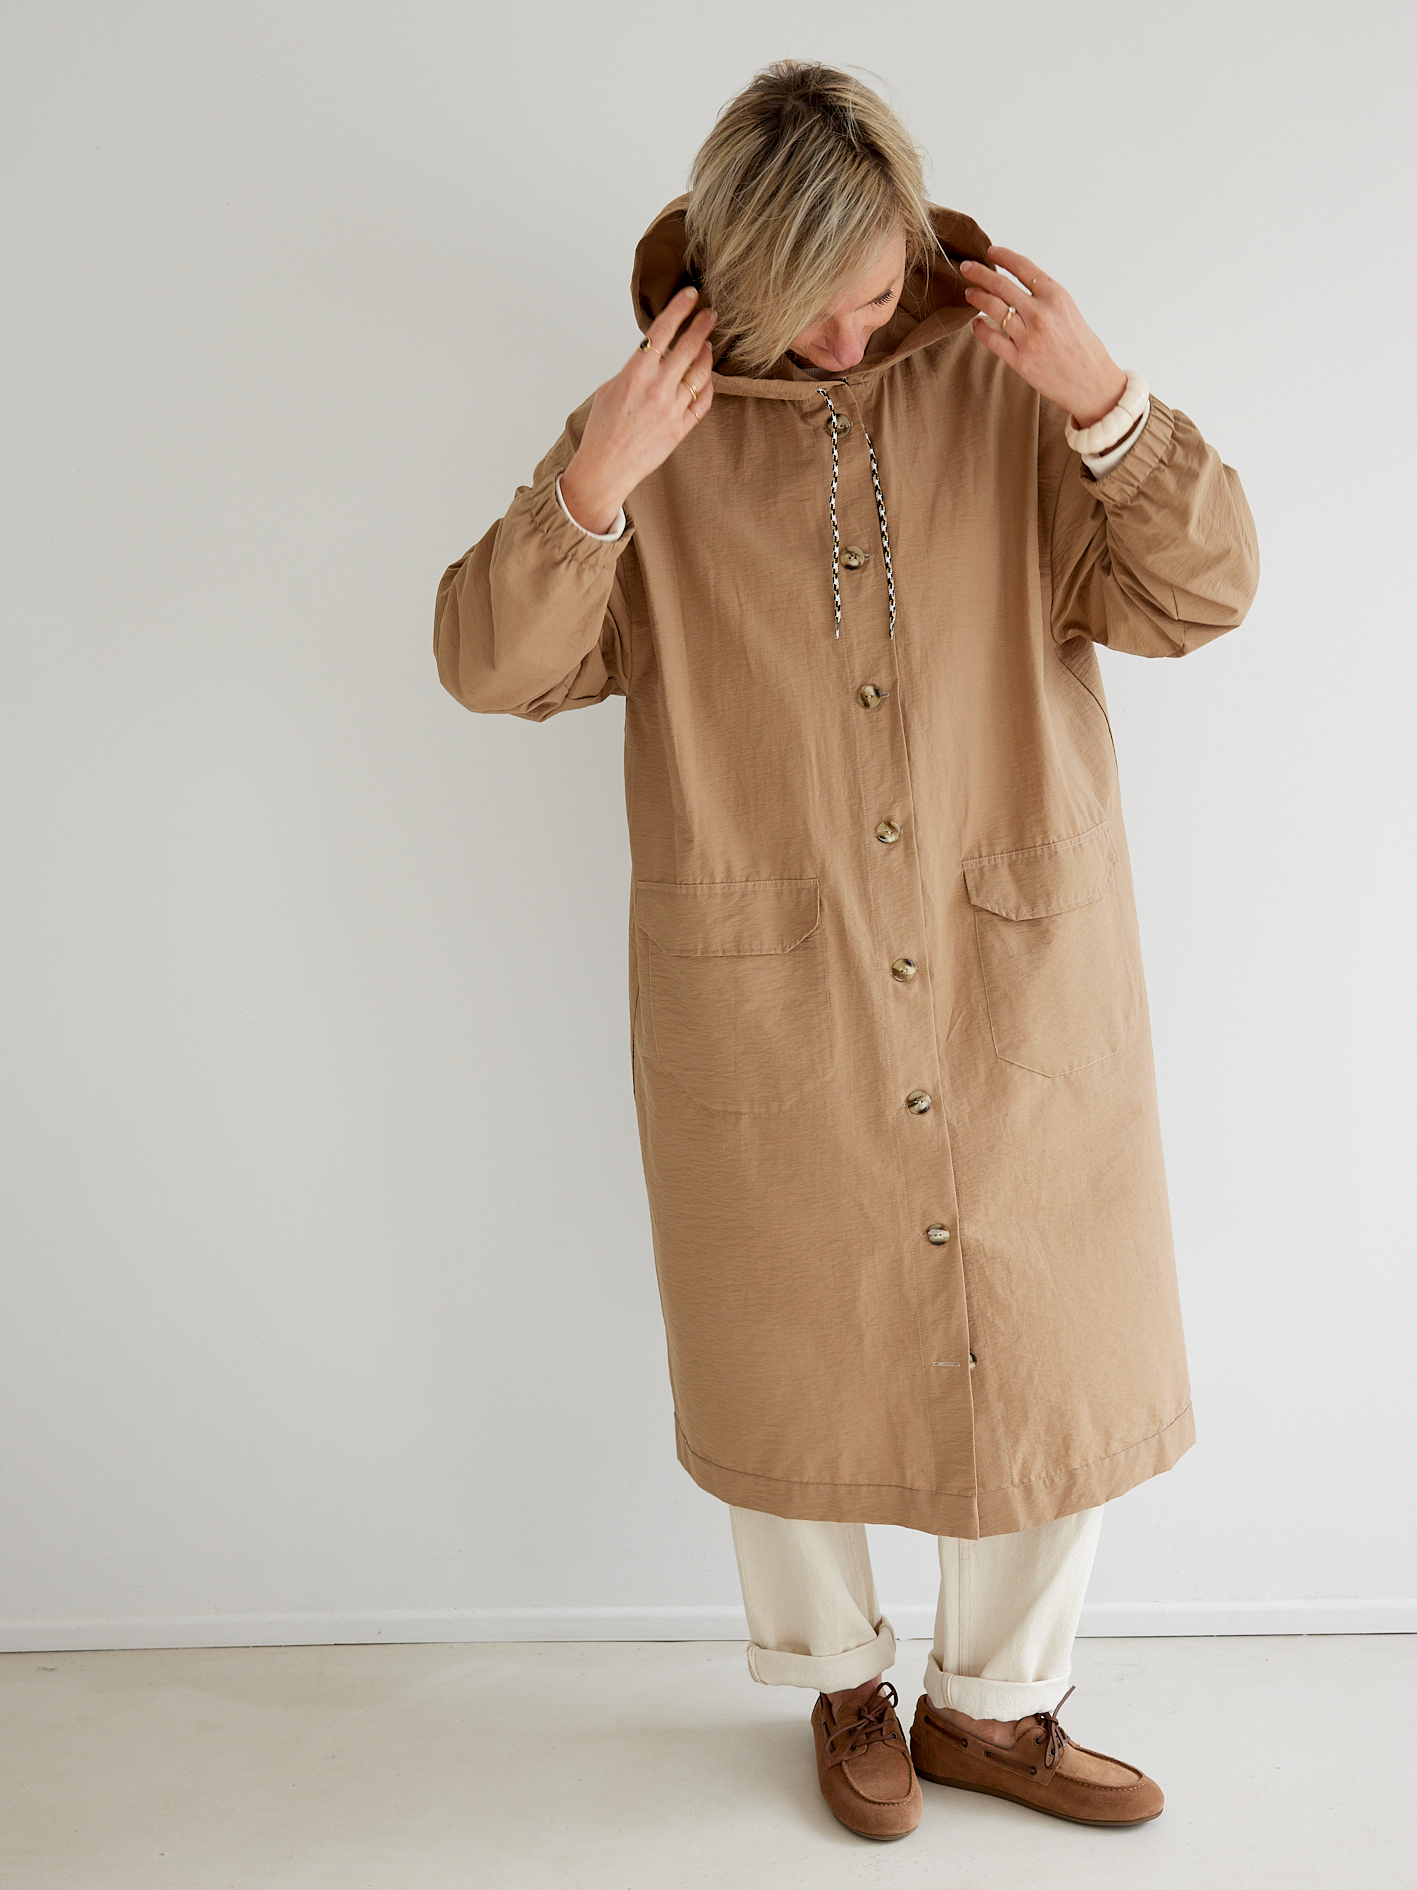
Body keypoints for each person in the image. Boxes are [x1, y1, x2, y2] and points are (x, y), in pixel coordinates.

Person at [434, 60, 1258, 1843]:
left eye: (872, 294)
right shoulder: (651, 435)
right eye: (801, 303)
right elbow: (492, 665)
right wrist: (594, 478)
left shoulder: (1008, 396)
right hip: (771, 987)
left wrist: (1105, 403)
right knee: (783, 1326)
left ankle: (997, 1708)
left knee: (1050, 1331)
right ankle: (842, 1684)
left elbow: (1203, 592)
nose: (840, 337)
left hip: (1012, 973)